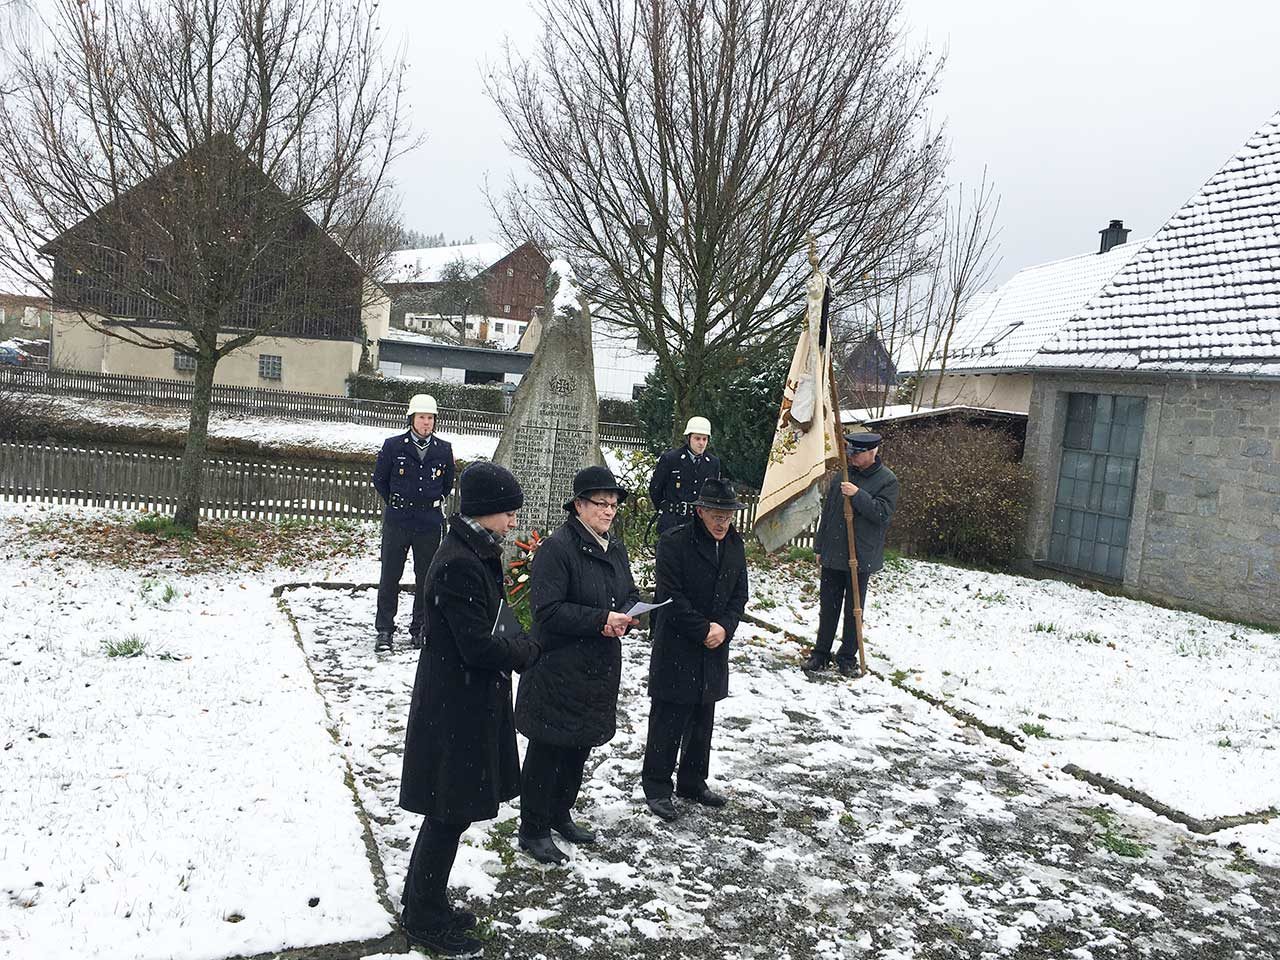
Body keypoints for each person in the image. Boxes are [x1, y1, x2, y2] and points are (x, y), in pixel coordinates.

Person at [398, 461, 539, 957]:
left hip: (465, 700)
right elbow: (477, 645)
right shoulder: (460, 561)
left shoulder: (475, 551)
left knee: (449, 812)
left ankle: (425, 901)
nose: (513, 521)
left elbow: (492, 621)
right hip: (453, 705)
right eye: (508, 512)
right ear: (485, 512)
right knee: (446, 812)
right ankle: (422, 916)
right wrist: (524, 653)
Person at [514, 465, 640, 864]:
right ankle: (533, 828)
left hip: (598, 667)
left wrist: (630, 614)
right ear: (580, 506)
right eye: (601, 504)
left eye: (613, 505)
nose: (608, 512)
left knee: (579, 747)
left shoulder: (613, 547)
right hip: (558, 667)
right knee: (549, 749)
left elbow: (628, 590)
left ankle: (560, 812)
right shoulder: (558, 548)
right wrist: (601, 619)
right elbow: (547, 611)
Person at [641, 478, 749, 821]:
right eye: (716, 514)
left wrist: (724, 628)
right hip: (679, 645)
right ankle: (657, 786)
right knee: (668, 720)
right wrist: (703, 629)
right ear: (700, 511)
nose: (722, 522)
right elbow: (670, 597)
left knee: (704, 719)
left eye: (728, 515)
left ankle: (692, 781)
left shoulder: (734, 543)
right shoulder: (675, 543)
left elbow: (739, 595)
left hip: (715, 646)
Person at [807, 432, 899, 676]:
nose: (852, 458)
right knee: (828, 607)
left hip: (861, 556)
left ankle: (847, 657)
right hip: (833, 553)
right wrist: (819, 547)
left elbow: (882, 514)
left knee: (854, 609)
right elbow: (828, 513)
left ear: (873, 452)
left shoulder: (887, 480)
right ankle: (821, 653)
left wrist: (858, 495)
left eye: (856, 454)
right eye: (850, 453)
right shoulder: (843, 475)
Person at [372, 394, 455, 652]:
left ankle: (420, 628)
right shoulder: (394, 446)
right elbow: (380, 480)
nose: (426, 423)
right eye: (422, 417)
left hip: (428, 522)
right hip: (398, 520)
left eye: (430, 418)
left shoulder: (443, 449)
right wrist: (398, 502)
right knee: (390, 575)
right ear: (412, 419)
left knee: (425, 578)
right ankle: (385, 630)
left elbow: (447, 483)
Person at [649, 416, 722, 534]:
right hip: (673, 522)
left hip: (699, 524)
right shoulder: (671, 459)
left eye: (705, 439)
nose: (701, 443)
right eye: (697, 438)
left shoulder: (713, 463)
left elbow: (713, 493)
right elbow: (656, 489)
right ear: (689, 438)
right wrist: (667, 509)